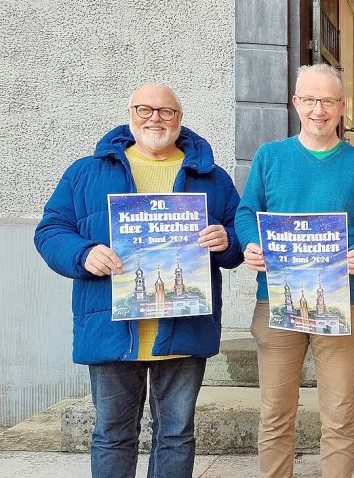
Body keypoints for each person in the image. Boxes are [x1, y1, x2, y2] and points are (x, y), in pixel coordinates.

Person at [34, 84, 243, 478]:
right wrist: (83, 254)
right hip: (111, 327)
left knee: (177, 435)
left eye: (166, 111)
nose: (155, 118)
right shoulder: (86, 172)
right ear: (130, 114)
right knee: (112, 434)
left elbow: (238, 241)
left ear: (180, 119)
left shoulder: (211, 178)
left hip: (184, 328)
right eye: (145, 109)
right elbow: (50, 231)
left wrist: (226, 240)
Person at [235, 64, 354, 478]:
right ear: (295, 104)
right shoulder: (271, 156)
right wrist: (250, 243)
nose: (318, 110)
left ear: (342, 107)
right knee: (275, 415)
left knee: (339, 415)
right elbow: (247, 212)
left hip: (339, 303)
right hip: (276, 303)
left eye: (328, 101)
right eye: (309, 100)